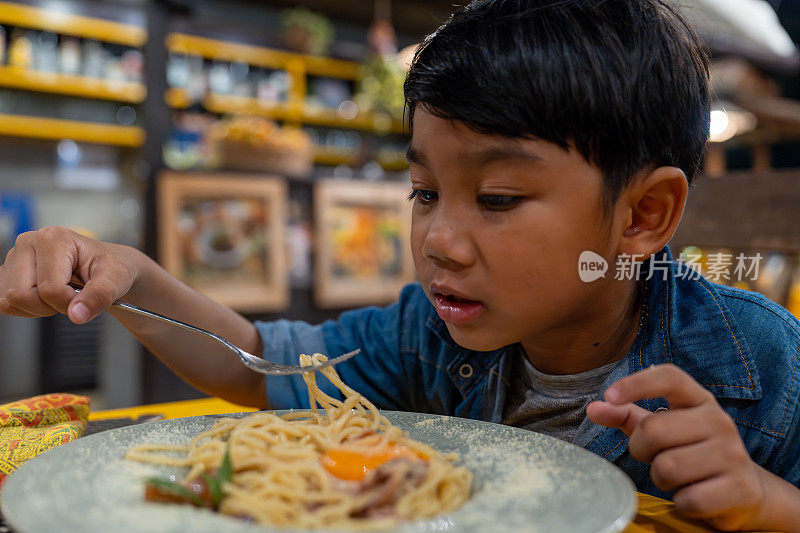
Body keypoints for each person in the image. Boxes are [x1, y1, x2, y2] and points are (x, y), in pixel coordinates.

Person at [1, 0, 799, 530]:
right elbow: (258, 365)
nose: (438, 240)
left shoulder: (756, 359)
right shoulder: (431, 332)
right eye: (423, 191)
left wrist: (764, 501)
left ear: (642, 215)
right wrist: (132, 279)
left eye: (495, 197)